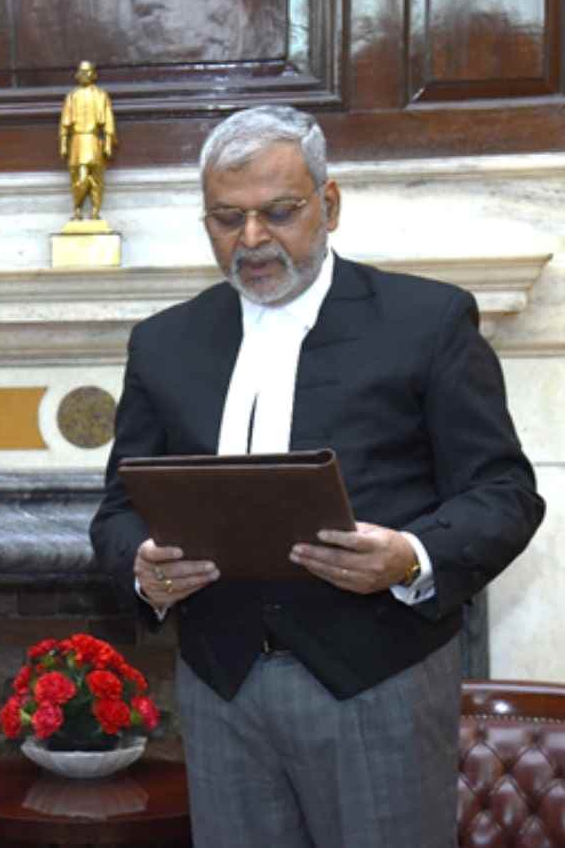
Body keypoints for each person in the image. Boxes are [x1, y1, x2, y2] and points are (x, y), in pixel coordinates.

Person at [90, 105, 544, 847]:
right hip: (220, 687)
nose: (253, 239)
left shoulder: (425, 322)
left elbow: (505, 495)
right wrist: (142, 571)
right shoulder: (165, 344)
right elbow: (117, 512)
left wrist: (410, 556)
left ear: (328, 204)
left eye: (279, 212)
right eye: (226, 219)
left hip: (379, 684)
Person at [59, 60, 116, 220]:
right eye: (82, 72)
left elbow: (108, 120)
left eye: (89, 71)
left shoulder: (100, 95)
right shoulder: (72, 96)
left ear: (94, 74)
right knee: (80, 176)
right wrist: (63, 144)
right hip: (77, 140)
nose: (86, 75)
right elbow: (65, 121)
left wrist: (108, 143)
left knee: (97, 177)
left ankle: (95, 211)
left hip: (93, 139)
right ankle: (77, 209)